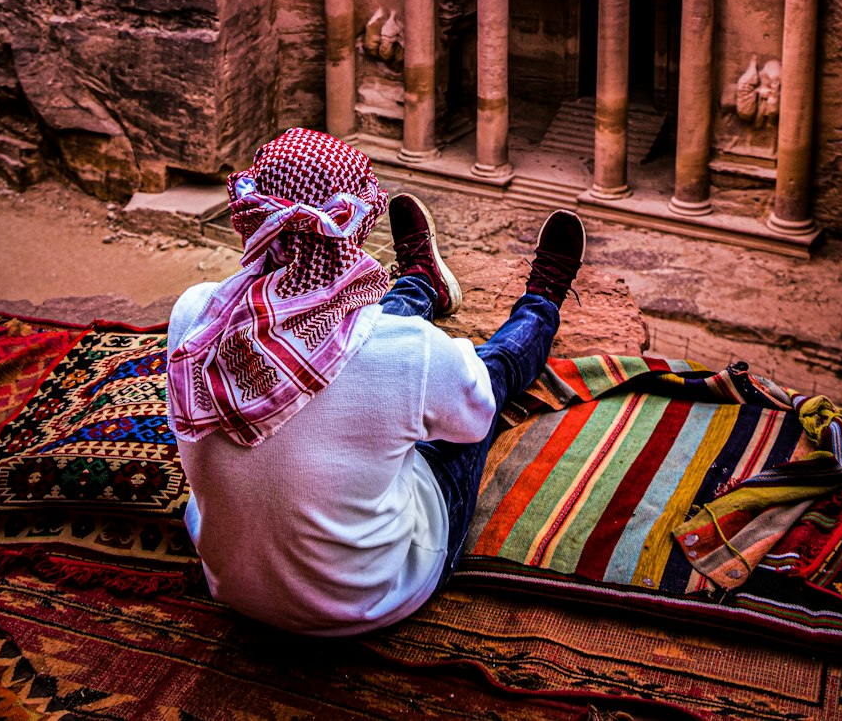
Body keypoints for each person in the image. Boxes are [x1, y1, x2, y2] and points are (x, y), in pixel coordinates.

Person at [165, 126, 585, 637]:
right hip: (368, 599)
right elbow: (471, 421)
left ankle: (420, 281)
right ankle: (541, 304)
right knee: (487, 379)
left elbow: (343, 338)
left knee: (370, 350)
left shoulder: (196, 314)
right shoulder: (405, 350)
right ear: (352, 228)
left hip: (233, 586)